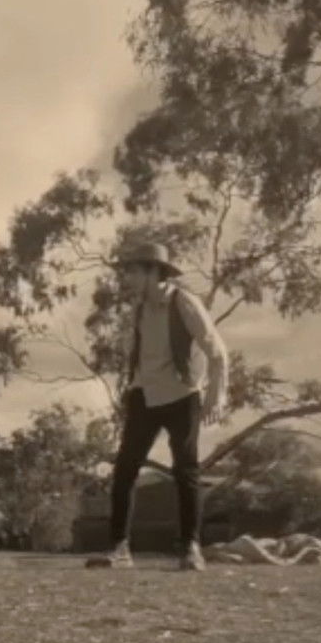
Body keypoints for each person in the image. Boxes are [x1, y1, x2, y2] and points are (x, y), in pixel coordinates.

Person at [96, 242, 229, 572]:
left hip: (182, 394)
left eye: (134, 272)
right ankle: (120, 549)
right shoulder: (140, 308)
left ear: (154, 272)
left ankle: (190, 549)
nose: (128, 278)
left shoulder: (183, 302)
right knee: (125, 469)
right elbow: (142, 354)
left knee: (186, 471)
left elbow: (217, 351)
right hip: (145, 394)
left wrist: (216, 395)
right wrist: (131, 389)